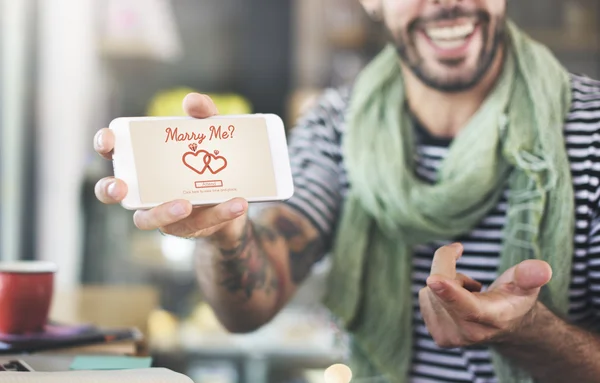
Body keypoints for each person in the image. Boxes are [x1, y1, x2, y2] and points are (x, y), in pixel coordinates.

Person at [93, 0, 600, 382]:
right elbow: (248, 306)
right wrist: (226, 235)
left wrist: (531, 331)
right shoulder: (335, 124)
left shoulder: (592, 127)